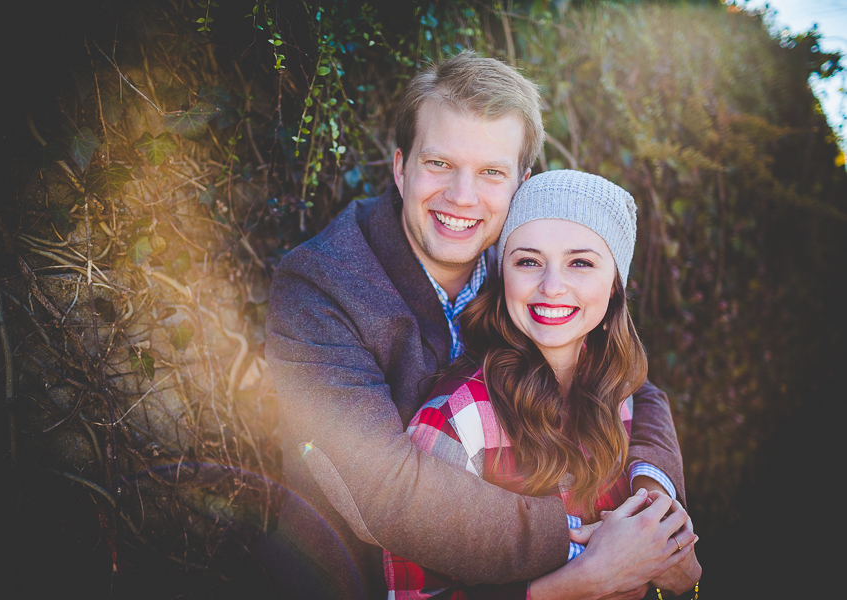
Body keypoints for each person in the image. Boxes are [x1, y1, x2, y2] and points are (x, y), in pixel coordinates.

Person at [262, 52, 687, 600]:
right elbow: (379, 491)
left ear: (521, 186)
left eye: (491, 172)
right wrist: (581, 549)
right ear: (400, 166)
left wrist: (654, 508)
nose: (463, 197)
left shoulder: (518, 265)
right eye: (439, 163)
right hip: (351, 577)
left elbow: (629, 384)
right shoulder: (320, 286)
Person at [383, 170, 702, 599]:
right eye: (528, 261)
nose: (552, 287)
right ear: (504, 277)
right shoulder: (460, 419)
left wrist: (670, 553)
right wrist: (575, 585)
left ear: (613, 288)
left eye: (581, 263)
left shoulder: (622, 395)